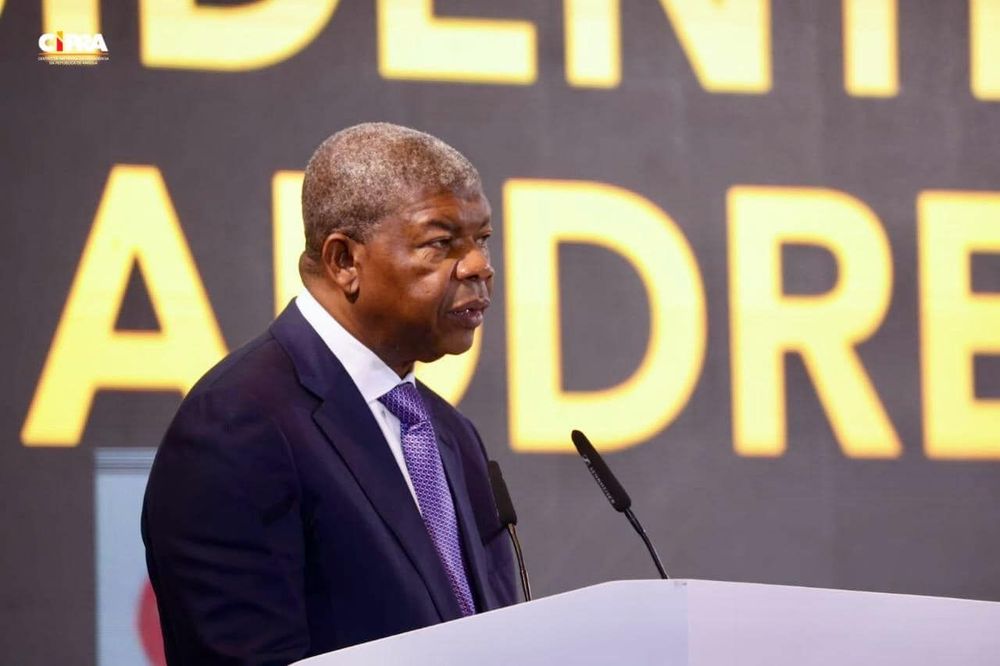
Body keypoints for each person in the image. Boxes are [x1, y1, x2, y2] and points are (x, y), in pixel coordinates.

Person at [141, 122, 518, 665]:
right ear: (344, 261)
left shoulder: (451, 434)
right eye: (441, 243)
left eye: (481, 239)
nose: (480, 266)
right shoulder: (237, 424)